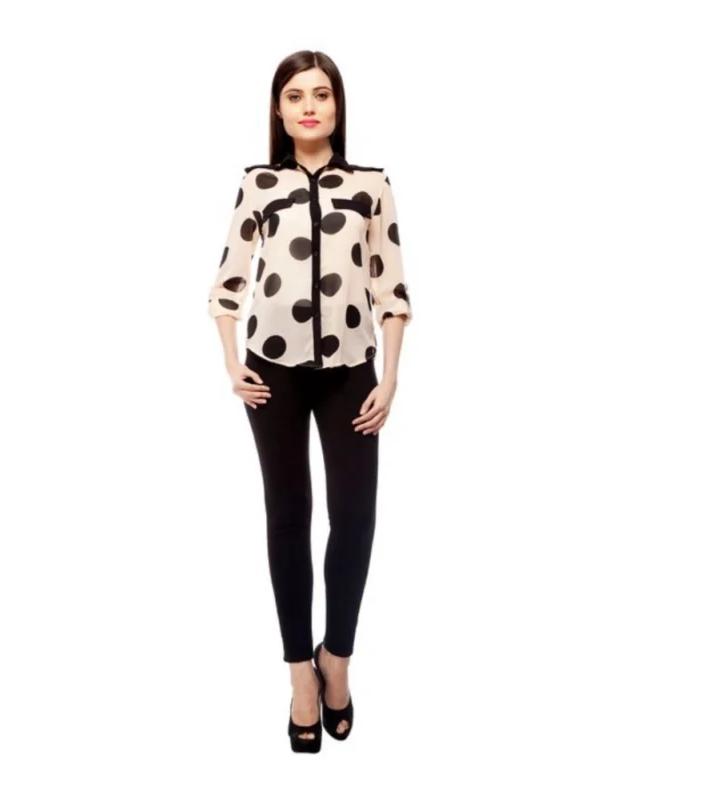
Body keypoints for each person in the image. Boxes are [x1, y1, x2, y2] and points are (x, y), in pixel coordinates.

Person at [207, 50, 412, 753]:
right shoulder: (258, 183)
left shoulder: (371, 185)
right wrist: (232, 361)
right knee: (288, 516)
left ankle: (337, 658)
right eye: (295, 96)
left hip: (352, 372)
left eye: (321, 94)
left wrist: (390, 376)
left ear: (337, 104)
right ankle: (300, 672)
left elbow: (391, 286)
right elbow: (229, 282)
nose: (309, 107)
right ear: (278, 108)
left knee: (355, 518)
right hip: (272, 372)